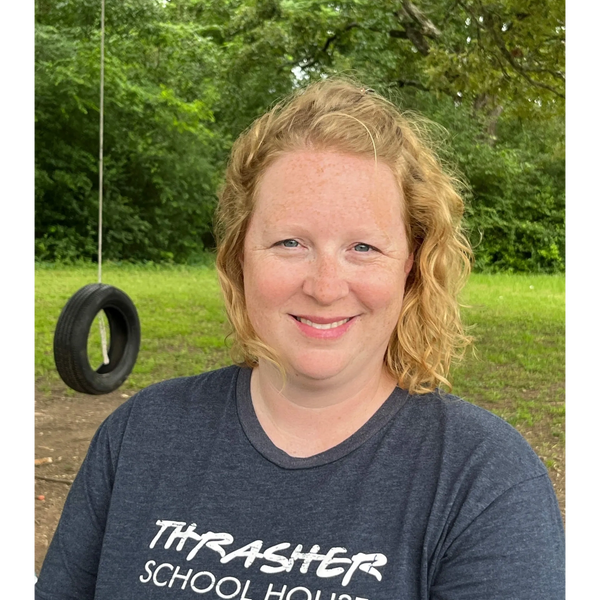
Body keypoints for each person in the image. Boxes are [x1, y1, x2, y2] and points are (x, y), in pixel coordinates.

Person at [33, 79, 567, 599]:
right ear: (240, 255)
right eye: (290, 242)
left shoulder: (484, 481)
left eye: (363, 247)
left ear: (411, 263)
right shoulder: (141, 434)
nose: (325, 287)